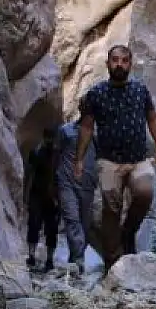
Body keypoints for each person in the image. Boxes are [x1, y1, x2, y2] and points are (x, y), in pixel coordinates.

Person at [73, 44, 156, 274]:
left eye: (124, 60)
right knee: (111, 205)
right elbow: (86, 128)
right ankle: (113, 262)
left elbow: (153, 119)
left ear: (130, 64)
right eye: (115, 60)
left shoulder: (140, 91)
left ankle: (129, 232)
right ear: (107, 64)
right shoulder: (96, 94)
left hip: (138, 159)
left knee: (145, 192)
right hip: (109, 161)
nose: (119, 64)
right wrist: (79, 159)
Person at [55, 108, 97, 273]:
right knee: (72, 220)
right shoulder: (65, 131)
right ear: (81, 109)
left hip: (88, 185)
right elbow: (55, 155)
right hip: (66, 182)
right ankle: (79, 261)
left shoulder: (97, 135)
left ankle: (75, 259)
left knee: (85, 225)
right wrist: (53, 182)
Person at [24, 126, 60, 271]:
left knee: (50, 228)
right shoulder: (38, 153)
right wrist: (26, 194)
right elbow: (29, 174)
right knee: (35, 224)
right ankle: (34, 256)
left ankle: (48, 259)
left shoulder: (57, 155)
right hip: (38, 194)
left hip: (49, 196)